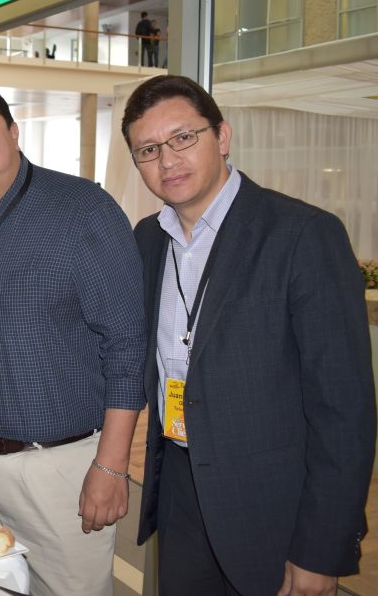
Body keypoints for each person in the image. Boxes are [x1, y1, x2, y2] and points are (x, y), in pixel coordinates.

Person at [122, 75, 375, 596]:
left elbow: (344, 410)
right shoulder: (148, 240)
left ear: (223, 136)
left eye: (183, 138)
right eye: (148, 150)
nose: (167, 160)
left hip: (273, 507)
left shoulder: (302, 234)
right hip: (180, 491)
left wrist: (321, 548)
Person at [0, 78, 145, 595]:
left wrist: (111, 466)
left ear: (13, 130)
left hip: (55, 471)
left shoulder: (82, 210)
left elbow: (127, 345)